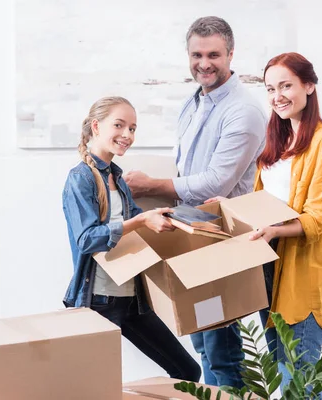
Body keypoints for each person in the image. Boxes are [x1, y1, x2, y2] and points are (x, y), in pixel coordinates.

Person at [124, 17, 267, 388]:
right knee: (202, 340)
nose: (204, 63)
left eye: (214, 55)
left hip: (219, 242)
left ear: (231, 55)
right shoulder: (195, 101)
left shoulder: (243, 111)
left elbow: (216, 182)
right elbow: (187, 168)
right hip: (190, 236)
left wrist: (151, 185)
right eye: (197, 54)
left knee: (221, 348)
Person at [211, 52, 322, 394]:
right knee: (281, 374)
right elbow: (263, 203)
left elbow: (315, 221)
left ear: (309, 86)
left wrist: (274, 230)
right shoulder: (279, 141)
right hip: (268, 271)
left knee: (297, 387)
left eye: (286, 85)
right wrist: (230, 207)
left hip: (300, 281)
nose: (277, 96)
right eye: (271, 88)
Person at [62, 96, 201, 382]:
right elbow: (86, 239)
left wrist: (193, 214)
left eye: (133, 128)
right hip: (98, 302)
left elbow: (142, 223)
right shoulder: (81, 178)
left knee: (187, 371)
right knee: (99, 386)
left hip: (131, 299)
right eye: (119, 125)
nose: (127, 135)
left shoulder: (119, 179)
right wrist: (139, 221)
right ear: (96, 126)